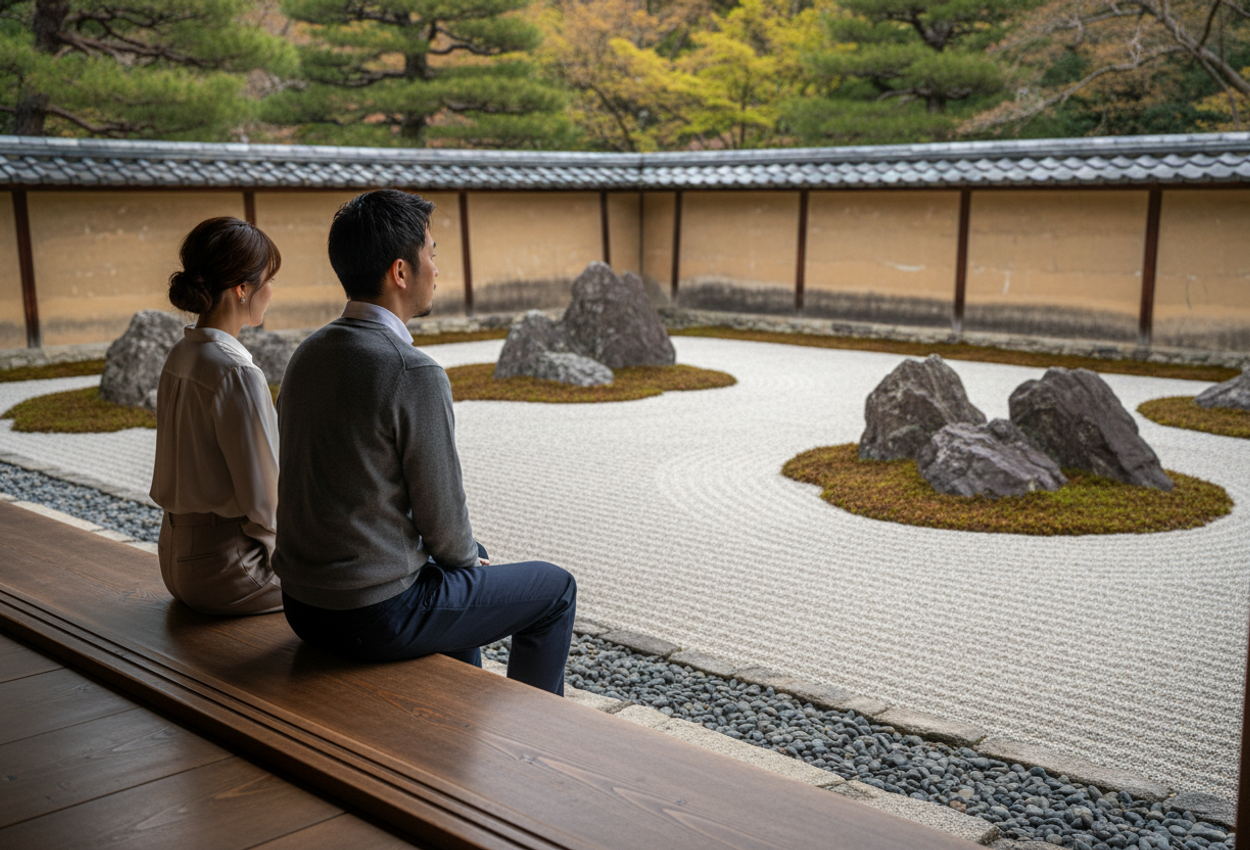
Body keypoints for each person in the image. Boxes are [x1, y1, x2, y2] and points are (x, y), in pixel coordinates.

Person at [273, 189, 576, 695]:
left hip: (304, 605)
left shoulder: (308, 353)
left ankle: (459, 701)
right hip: (372, 613)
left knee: (465, 559)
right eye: (431, 253)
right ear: (400, 271)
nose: (437, 267)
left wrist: (460, 557)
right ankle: (537, 737)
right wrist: (461, 558)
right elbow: (443, 519)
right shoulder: (411, 370)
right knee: (554, 589)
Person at [150, 216, 284, 616]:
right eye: (268, 280)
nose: (272, 291)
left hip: (175, 560)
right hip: (232, 569)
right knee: (359, 581)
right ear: (243, 289)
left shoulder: (182, 353)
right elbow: (267, 501)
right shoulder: (236, 372)